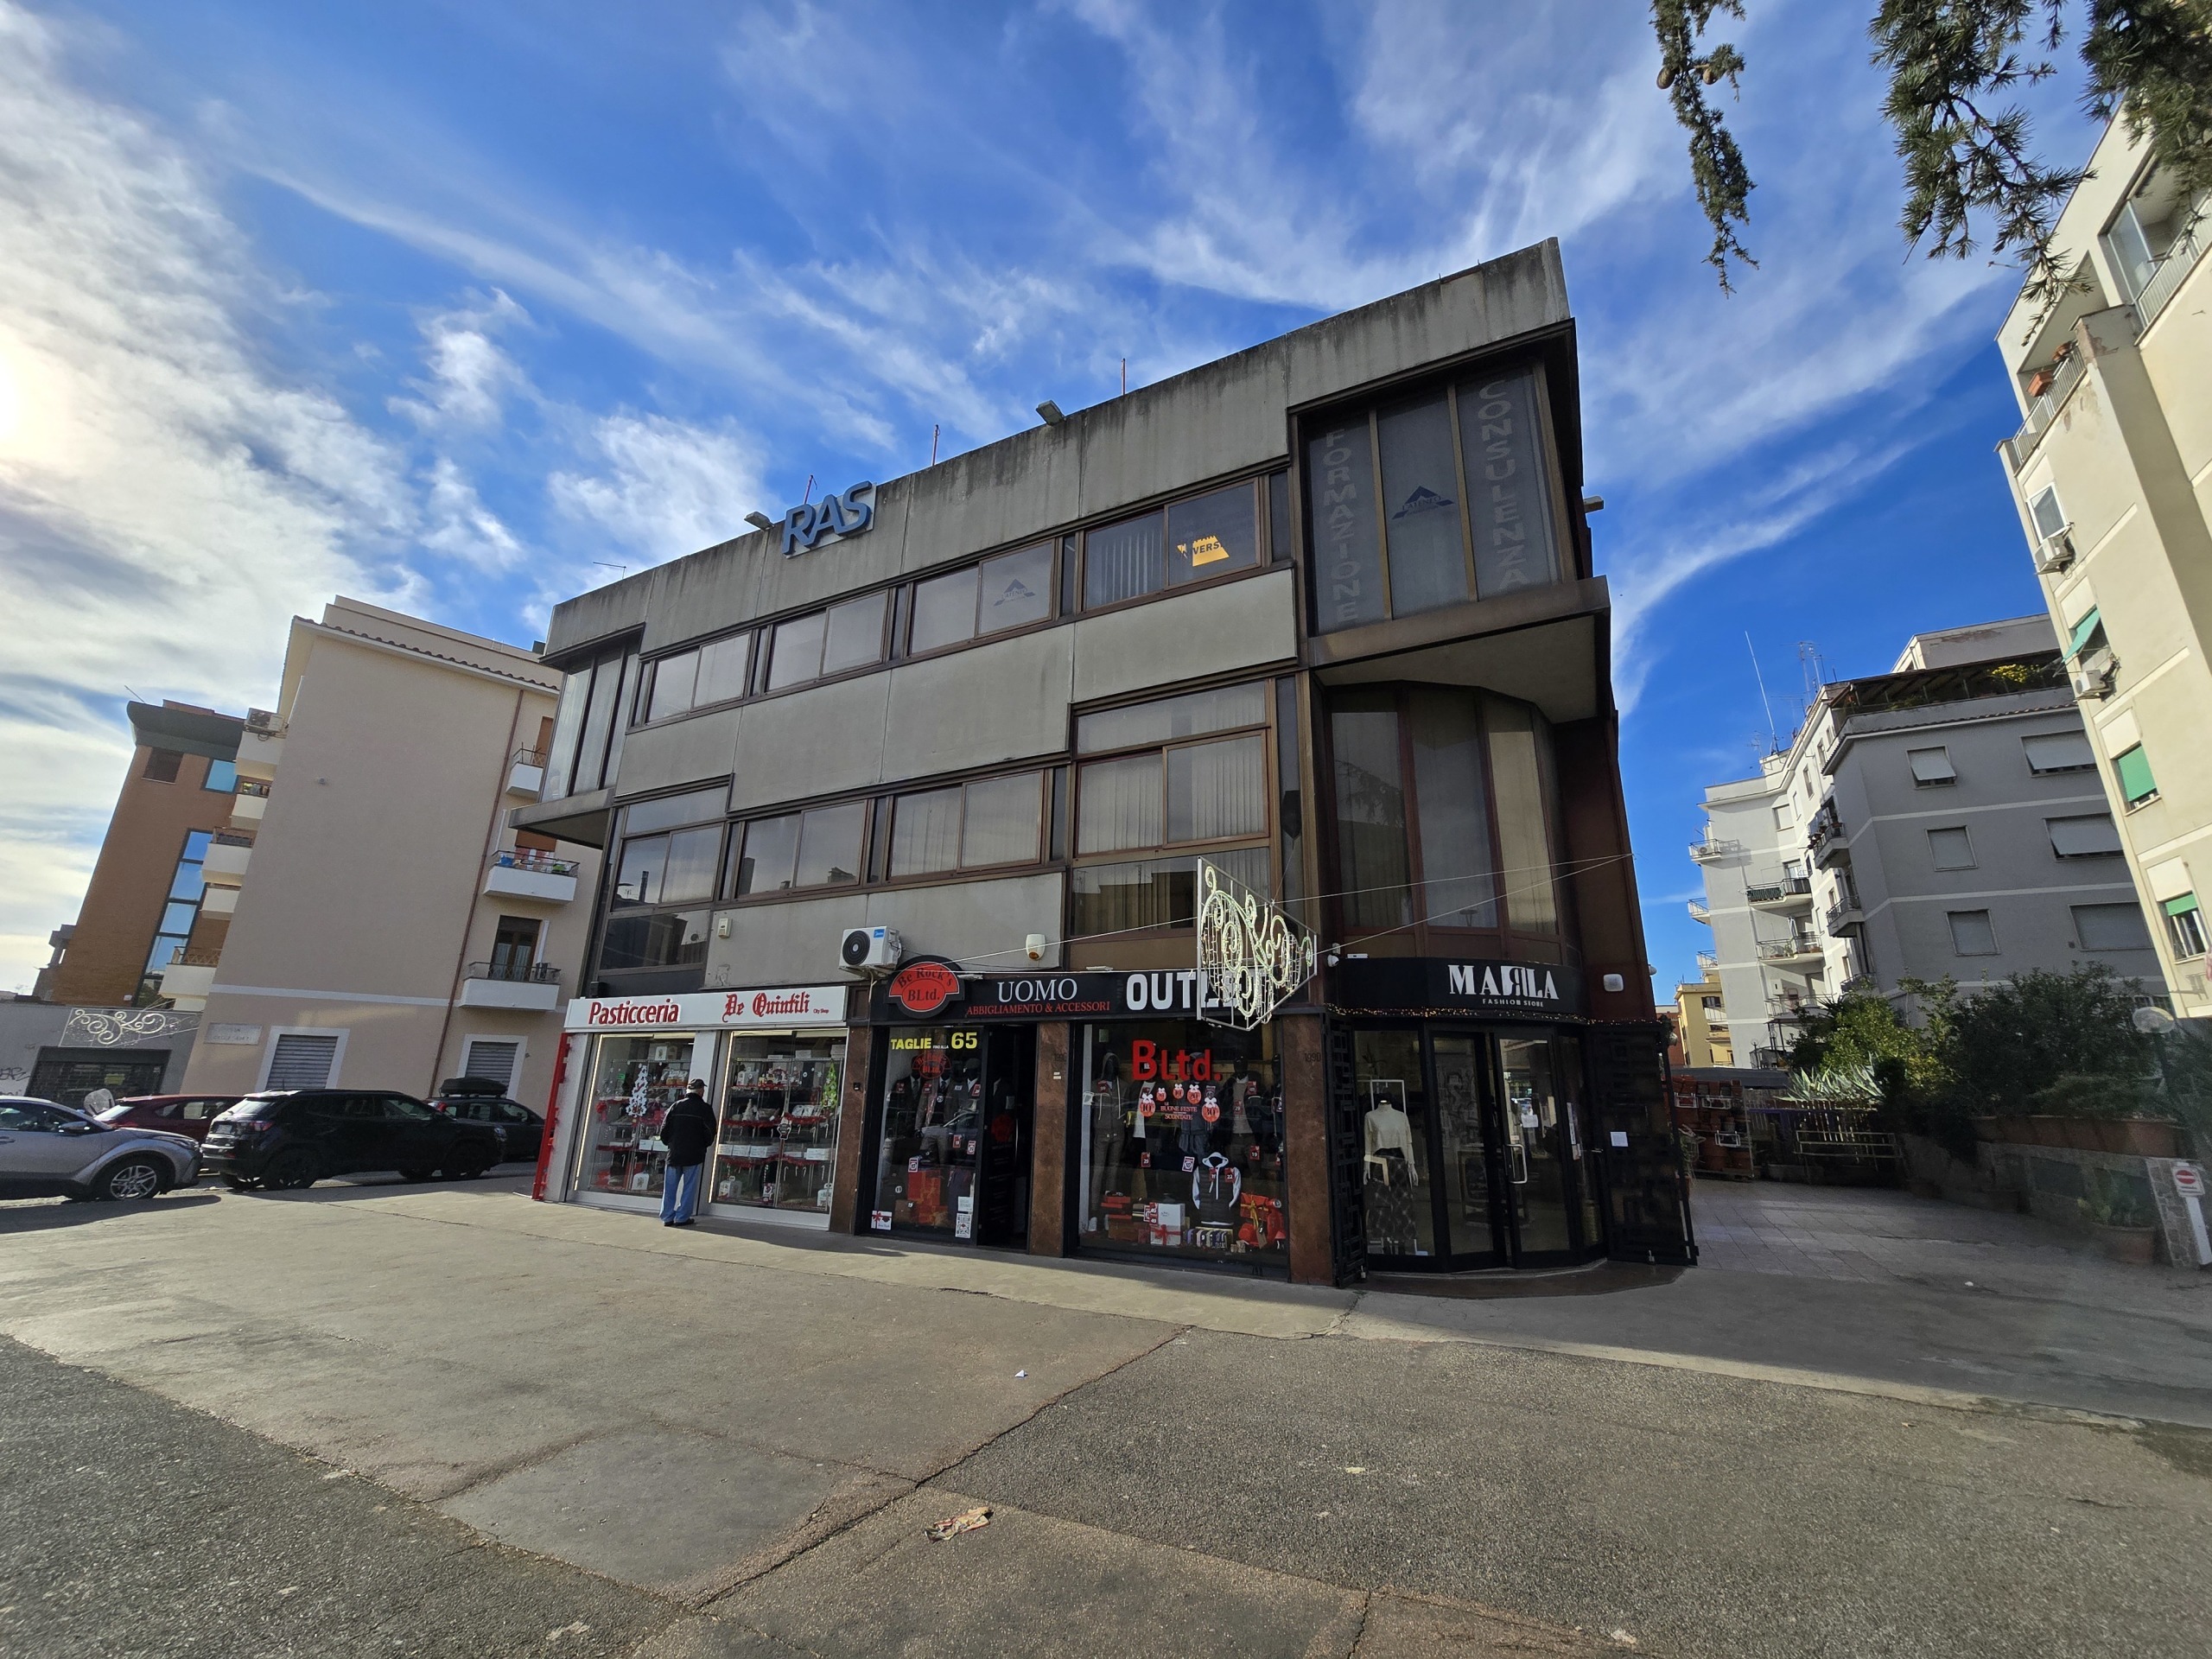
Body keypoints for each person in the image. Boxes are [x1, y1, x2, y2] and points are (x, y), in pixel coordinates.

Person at [659, 1078, 716, 1227]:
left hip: (674, 1152)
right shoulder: (705, 1109)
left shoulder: (676, 1106)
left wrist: (669, 1143)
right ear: (701, 1091)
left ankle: (667, 1216)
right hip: (694, 1153)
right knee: (689, 1187)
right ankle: (682, 1217)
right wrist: (704, 1145)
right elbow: (710, 1132)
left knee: (669, 1187)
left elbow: (664, 1130)